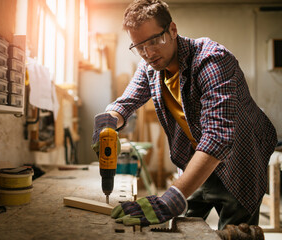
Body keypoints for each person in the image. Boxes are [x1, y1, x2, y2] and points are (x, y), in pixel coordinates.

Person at [92, 0, 277, 230]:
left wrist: (170, 200)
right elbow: (125, 103)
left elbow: (217, 138)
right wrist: (108, 121)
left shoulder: (212, 60)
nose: (148, 53)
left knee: (237, 233)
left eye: (154, 41)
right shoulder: (150, 67)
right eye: (139, 46)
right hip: (200, 156)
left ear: (172, 30)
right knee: (183, 229)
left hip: (242, 156)